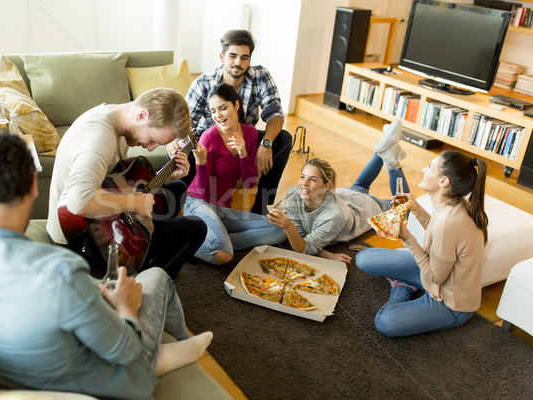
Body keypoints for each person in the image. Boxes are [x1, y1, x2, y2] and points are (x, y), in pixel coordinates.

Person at [0, 129, 213, 399]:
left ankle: (172, 349)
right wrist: (126, 305)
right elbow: (125, 350)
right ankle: (161, 358)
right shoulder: (59, 271)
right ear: (33, 187)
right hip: (114, 384)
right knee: (156, 277)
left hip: (25, 371)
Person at [47, 88, 207, 278]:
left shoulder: (119, 121)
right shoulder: (99, 137)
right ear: (141, 116)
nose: (150, 148)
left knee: (177, 188)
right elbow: (78, 201)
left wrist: (170, 174)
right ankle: (147, 282)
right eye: (153, 139)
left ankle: (145, 251)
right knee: (196, 228)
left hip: (100, 220)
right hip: (81, 240)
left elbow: (114, 183)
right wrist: (136, 203)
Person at [355, 150, 488, 337]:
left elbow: (436, 277)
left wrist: (407, 237)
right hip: (434, 271)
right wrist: (415, 207)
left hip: (449, 303)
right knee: (363, 258)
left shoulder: (450, 223)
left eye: (431, 166)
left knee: (384, 321)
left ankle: (403, 288)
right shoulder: (454, 204)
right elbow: (438, 236)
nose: (425, 169)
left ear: (444, 181)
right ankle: (408, 283)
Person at [169, 29, 293, 215]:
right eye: (232, 56)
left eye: (244, 57)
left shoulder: (261, 76)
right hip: (208, 138)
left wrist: (266, 143)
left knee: (283, 139)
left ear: (250, 59)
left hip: (245, 136)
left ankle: (260, 210)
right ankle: (181, 208)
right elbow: (186, 123)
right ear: (222, 57)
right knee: (181, 152)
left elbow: (275, 113)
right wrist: (176, 141)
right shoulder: (203, 83)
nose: (238, 62)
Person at [267, 119, 409, 262]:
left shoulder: (334, 216)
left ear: (326, 186)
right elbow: (302, 236)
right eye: (302, 177)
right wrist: (326, 254)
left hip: (363, 207)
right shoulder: (296, 193)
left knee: (405, 208)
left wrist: (290, 227)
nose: (303, 184)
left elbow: (307, 247)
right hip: (345, 196)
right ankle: (385, 147)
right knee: (359, 187)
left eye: (312, 179)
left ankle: (392, 162)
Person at [184, 83, 285, 265]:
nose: (218, 115)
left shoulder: (251, 134)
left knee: (279, 229)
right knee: (224, 255)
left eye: (223, 108)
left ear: (236, 105)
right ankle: (184, 241)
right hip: (198, 203)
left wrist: (243, 154)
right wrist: (200, 162)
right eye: (213, 111)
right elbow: (205, 192)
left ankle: (220, 241)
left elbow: (249, 183)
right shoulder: (209, 137)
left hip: (222, 208)